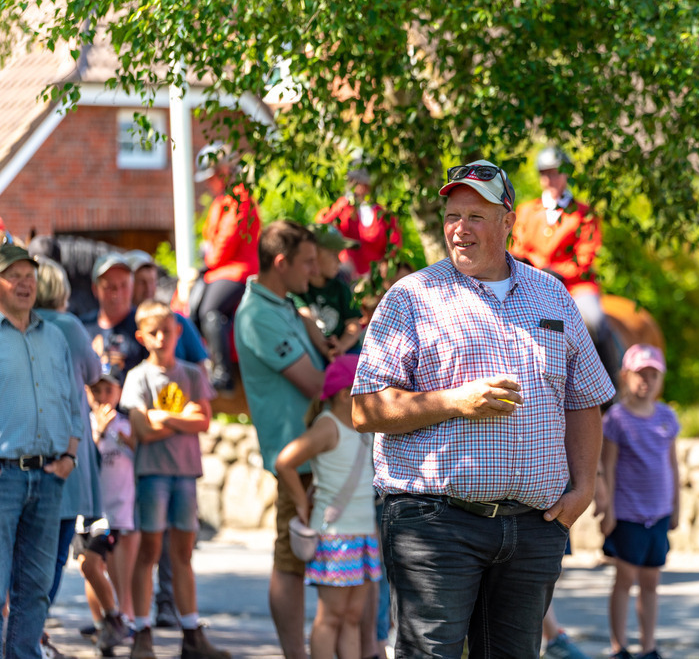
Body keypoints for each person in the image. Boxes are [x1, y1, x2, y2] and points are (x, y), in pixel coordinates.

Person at [351, 158, 615, 656]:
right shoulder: (411, 297)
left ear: (508, 222)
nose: (460, 229)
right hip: (435, 524)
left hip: (534, 529)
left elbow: (584, 399)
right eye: (452, 215)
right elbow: (365, 409)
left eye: (476, 216)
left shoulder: (552, 295)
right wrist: (455, 402)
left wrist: (582, 491)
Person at [234, 220, 325, 659]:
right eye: (307, 262)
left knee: (330, 563)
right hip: (299, 460)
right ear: (281, 262)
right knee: (291, 562)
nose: (314, 271)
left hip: (319, 452)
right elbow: (315, 384)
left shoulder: (285, 304)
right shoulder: (257, 314)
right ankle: (296, 655)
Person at [120, 300, 227, 659]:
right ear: (142, 337)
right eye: (154, 332)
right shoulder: (137, 377)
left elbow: (203, 421)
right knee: (148, 551)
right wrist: (180, 416)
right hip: (152, 475)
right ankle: (141, 631)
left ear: (178, 331)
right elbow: (140, 431)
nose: (162, 337)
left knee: (182, 554)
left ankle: (192, 633)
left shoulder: (193, 374)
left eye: (168, 330)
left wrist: (160, 417)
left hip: (185, 474)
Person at [0, 244, 81, 659]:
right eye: (13, 275)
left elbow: (73, 403)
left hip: (49, 478)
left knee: (35, 589)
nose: (24, 283)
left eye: (29, 275)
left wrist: (69, 456)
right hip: (3, 477)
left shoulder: (56, 337)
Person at [275, 355, 380, 659]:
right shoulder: (328, 426)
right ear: (342, 392)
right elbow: (285, 462)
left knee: (351, 618)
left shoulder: (366, 429)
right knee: (331, 617)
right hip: (336, 538)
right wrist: (301, 504)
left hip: (361, 535)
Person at [32, 257, 104, 657]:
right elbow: (94, 373)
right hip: (65, 456)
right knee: (54, 555)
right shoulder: (68, 326)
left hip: (26, 455)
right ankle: (32, 634)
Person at [596, 344, 679, 659]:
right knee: (625, 578)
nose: (646, 381)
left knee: (651, 580)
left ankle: (649, 646)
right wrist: (609, 511)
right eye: (640, 374)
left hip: (658, 513)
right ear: (625, 376)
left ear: (661, 379)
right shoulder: (616, 419)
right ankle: (619, 646)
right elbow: (610, 467)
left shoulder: (667, 418)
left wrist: (676, 507)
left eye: (653, 374)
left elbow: (673, 465)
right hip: (628, 514)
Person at [510, 146, 620, 382]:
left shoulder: (584, 214)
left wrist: (555, 272)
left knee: (594, 319)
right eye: (545, 173)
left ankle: (610, 383)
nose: (550, 178)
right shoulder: (526, 211)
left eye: (556, 172)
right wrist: (537, 270)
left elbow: (585, 258)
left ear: (566, 174)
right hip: (533, 283)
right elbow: (517, 250)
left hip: (575, 286)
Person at [192, 142, 261, 392]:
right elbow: (210, 238)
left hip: (239, 270)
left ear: (223, 172)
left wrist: (207, 262)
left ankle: (223, 373)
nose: (208, 183)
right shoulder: (221, 201)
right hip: (218, 269)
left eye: (210, 177)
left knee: (210, 309)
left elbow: (225, 241)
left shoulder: (240, 198)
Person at [84, 367, 139, 653]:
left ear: (119, 393)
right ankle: (104, 622)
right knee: (90, 566)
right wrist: (99, 433)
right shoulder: (84, 424)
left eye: (109, 390)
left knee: (116, 571)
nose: (102, 397)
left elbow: (138, 455)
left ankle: (122, 619)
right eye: (96, 390)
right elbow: (83, 462)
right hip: (92, 509)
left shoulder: (127, 424)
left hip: (121, 510)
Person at [315, 162, 402, 283]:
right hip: (346, 273)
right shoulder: (344, 209)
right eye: (353, 182)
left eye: (360, 183)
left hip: (375, 277)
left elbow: (395, 243)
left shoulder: (383, 215)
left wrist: (386, 267)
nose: (358, 187)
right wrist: (343, 203)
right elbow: (322, 225)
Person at [292, 224, 364, 358]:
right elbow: (307, 319)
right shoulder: (300, 290)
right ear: (312, 255)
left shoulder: (340, 287)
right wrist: (327, 349)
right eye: (333, 254)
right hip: (320, 354)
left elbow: (353, 325)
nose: (339, 261)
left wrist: (340, 347)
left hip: (348, 351)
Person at [83, 252, 148, 382]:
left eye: (123, 285)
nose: (117, 293)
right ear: (95, 289)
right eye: (109, 287)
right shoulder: (82, 327)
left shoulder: (146, 324)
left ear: (132, 286)